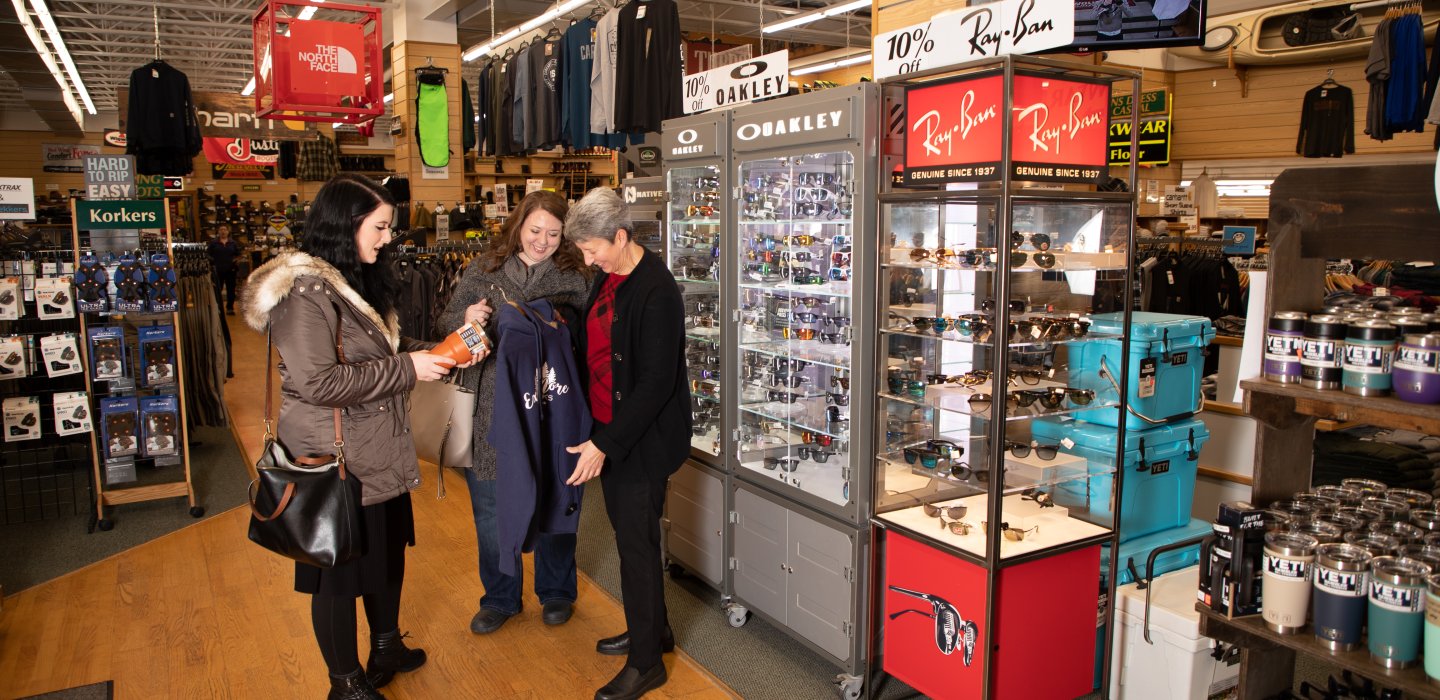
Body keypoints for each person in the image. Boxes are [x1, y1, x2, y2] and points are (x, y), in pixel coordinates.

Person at [241, 173, 481, 700]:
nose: (387, 238)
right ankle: (345, 683)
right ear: (345, 224)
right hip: (334, 461)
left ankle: (386, 646)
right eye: (379, 226)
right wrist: (411, 368)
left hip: (375, 451)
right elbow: (317, 382)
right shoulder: (304, 293)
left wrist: (446, 350)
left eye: (388, 227)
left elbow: (387, 350)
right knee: (336, 577)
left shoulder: (356, 281)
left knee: (385, 556)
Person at [436, 191, 592, 635]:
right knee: (490, 507)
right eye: (535, 230)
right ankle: (500, 597)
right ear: (518, 226)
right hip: (492, 409)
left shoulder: (575, 277)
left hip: (552, 409)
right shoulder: (483, 269)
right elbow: (445, 323)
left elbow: (590, 343)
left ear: (565, 236)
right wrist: (466, 317)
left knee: (557, 498)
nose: (542, 241)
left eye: (553, 233)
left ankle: (557, 590)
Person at [563, 187, 690, 700]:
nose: (588, 259)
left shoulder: (656, 290)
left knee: (636, 548)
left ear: (621, 236)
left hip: (638, 442)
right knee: (629, 538)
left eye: (593, 248)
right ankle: (652, 632)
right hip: (612, 430)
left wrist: (605, 444)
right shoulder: (610, 274)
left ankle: (647, 665)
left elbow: (656, 384)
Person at [208, 224, 241, 314]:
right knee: (218, 289)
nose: (223, 231)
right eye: (221, 230)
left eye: (224, 230)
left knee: (231, 289)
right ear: (218, 232)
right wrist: (212, 263)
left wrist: (235, 261)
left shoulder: (233, 243)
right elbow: (208, 255)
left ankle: (230, 308)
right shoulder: (214, 243)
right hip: (218, 270)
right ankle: (218, 308)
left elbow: (238, 254)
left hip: (230, 270)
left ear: (228, 231)